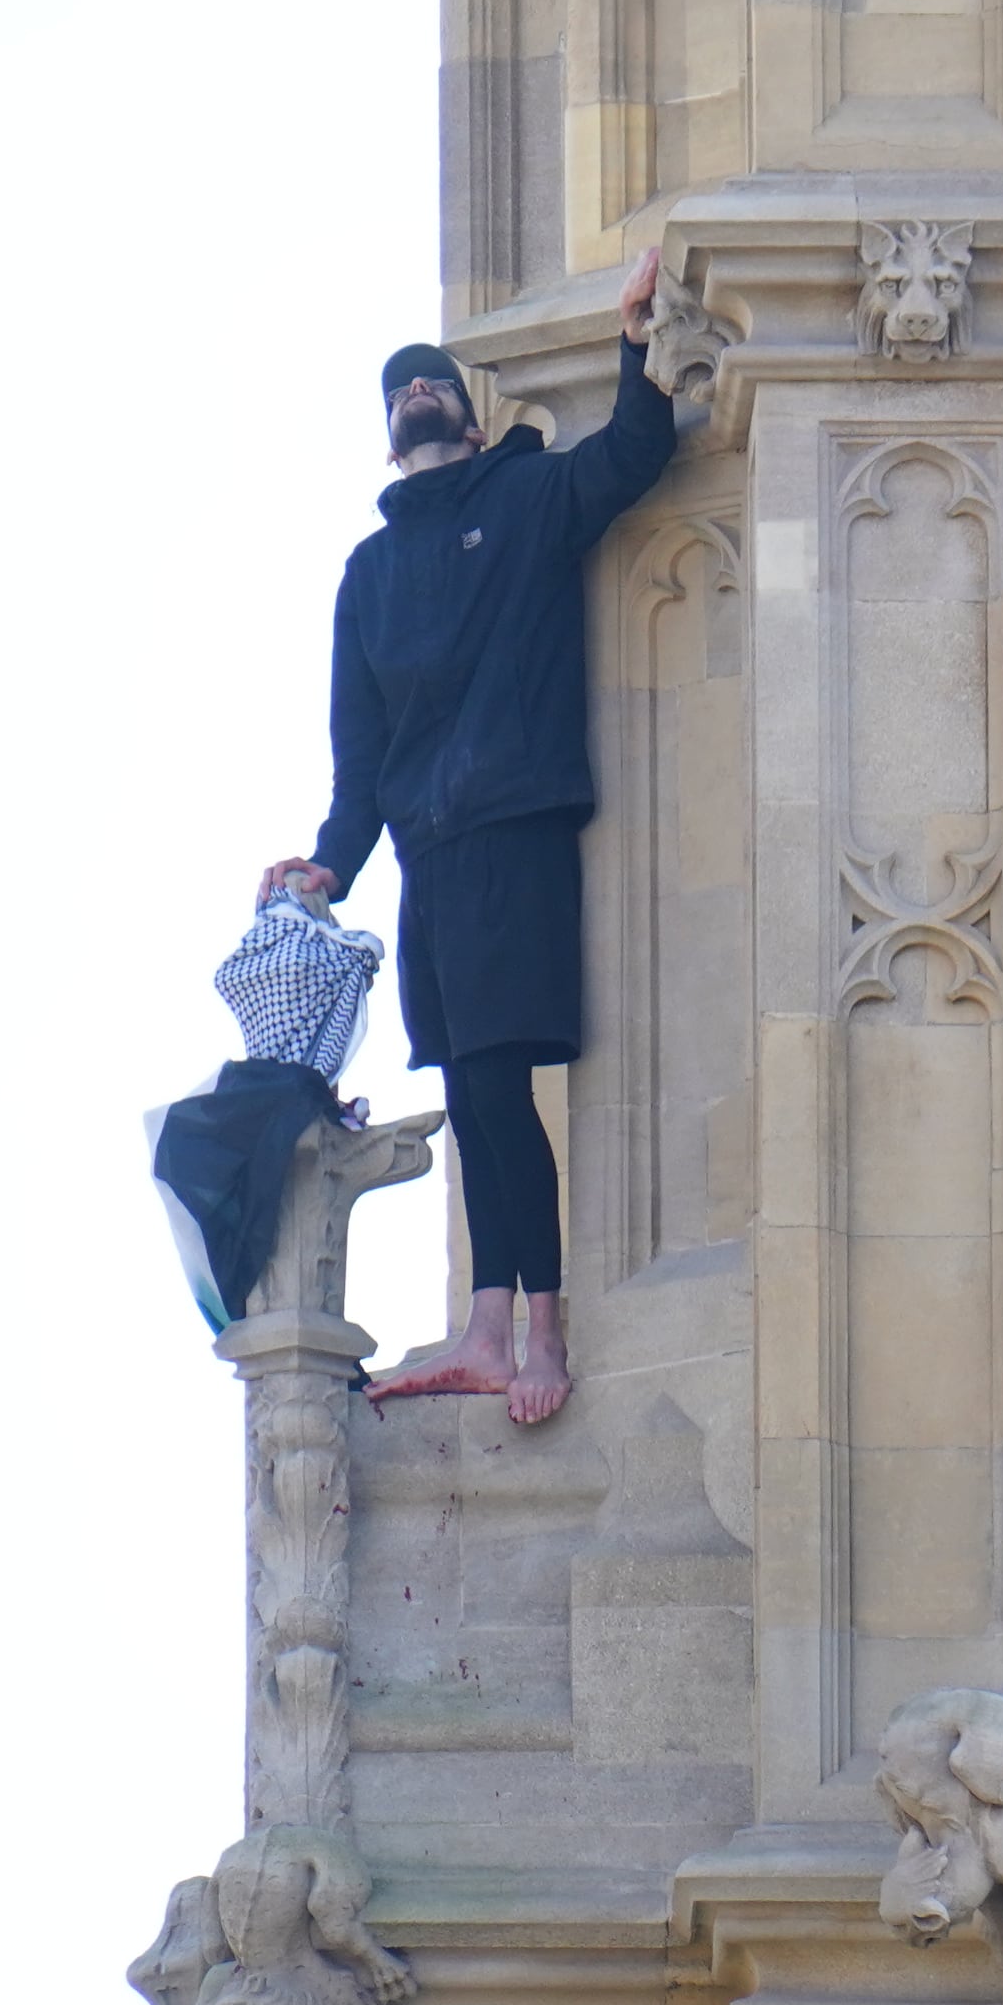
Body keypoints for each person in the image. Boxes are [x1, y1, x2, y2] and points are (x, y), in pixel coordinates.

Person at [260, 247, 676, 1425]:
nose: (413, 391)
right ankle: (487, 1326)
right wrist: (327, 865)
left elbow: (637, 455)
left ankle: (536, 1334)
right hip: (431, 856)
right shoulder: (370, 573)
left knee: (500, 1086)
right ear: (388, 439)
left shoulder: (527, 499)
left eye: (430, 379)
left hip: (514, 829)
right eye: (397, 391)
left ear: (469, 413)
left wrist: (634, 340)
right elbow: (361, 761)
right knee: (474, 1093)